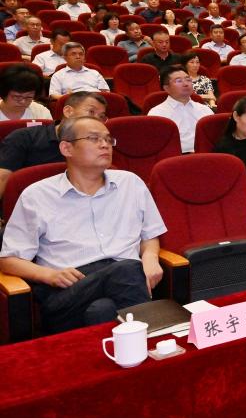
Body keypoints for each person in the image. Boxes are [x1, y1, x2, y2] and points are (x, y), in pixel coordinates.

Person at [0, 116, 165, 334]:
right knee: (127, 270)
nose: (105, 145)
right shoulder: (37, 195)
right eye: (94, 138)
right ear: (66, 148)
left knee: (102, 310)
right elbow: (8, 260)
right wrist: (49, 275)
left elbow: (150, 234)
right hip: (68, 289)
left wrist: (151, 257)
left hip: (127, 281)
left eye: (108, 139)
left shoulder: (130, 183)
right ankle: (155, 338)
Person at [0, 91, 109, 202]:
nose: (97, 120)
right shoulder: (23, 137)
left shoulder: (101, 144)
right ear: (68, 111)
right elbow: (2, 178)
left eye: (101, 116)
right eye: (91, 112)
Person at [147, 66, 214, 153]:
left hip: (206, 155)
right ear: (166, 88)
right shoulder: (157, 113)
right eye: (179, 81)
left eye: (188, 80)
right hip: (175, 157)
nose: (186, 84)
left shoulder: (205, 110)